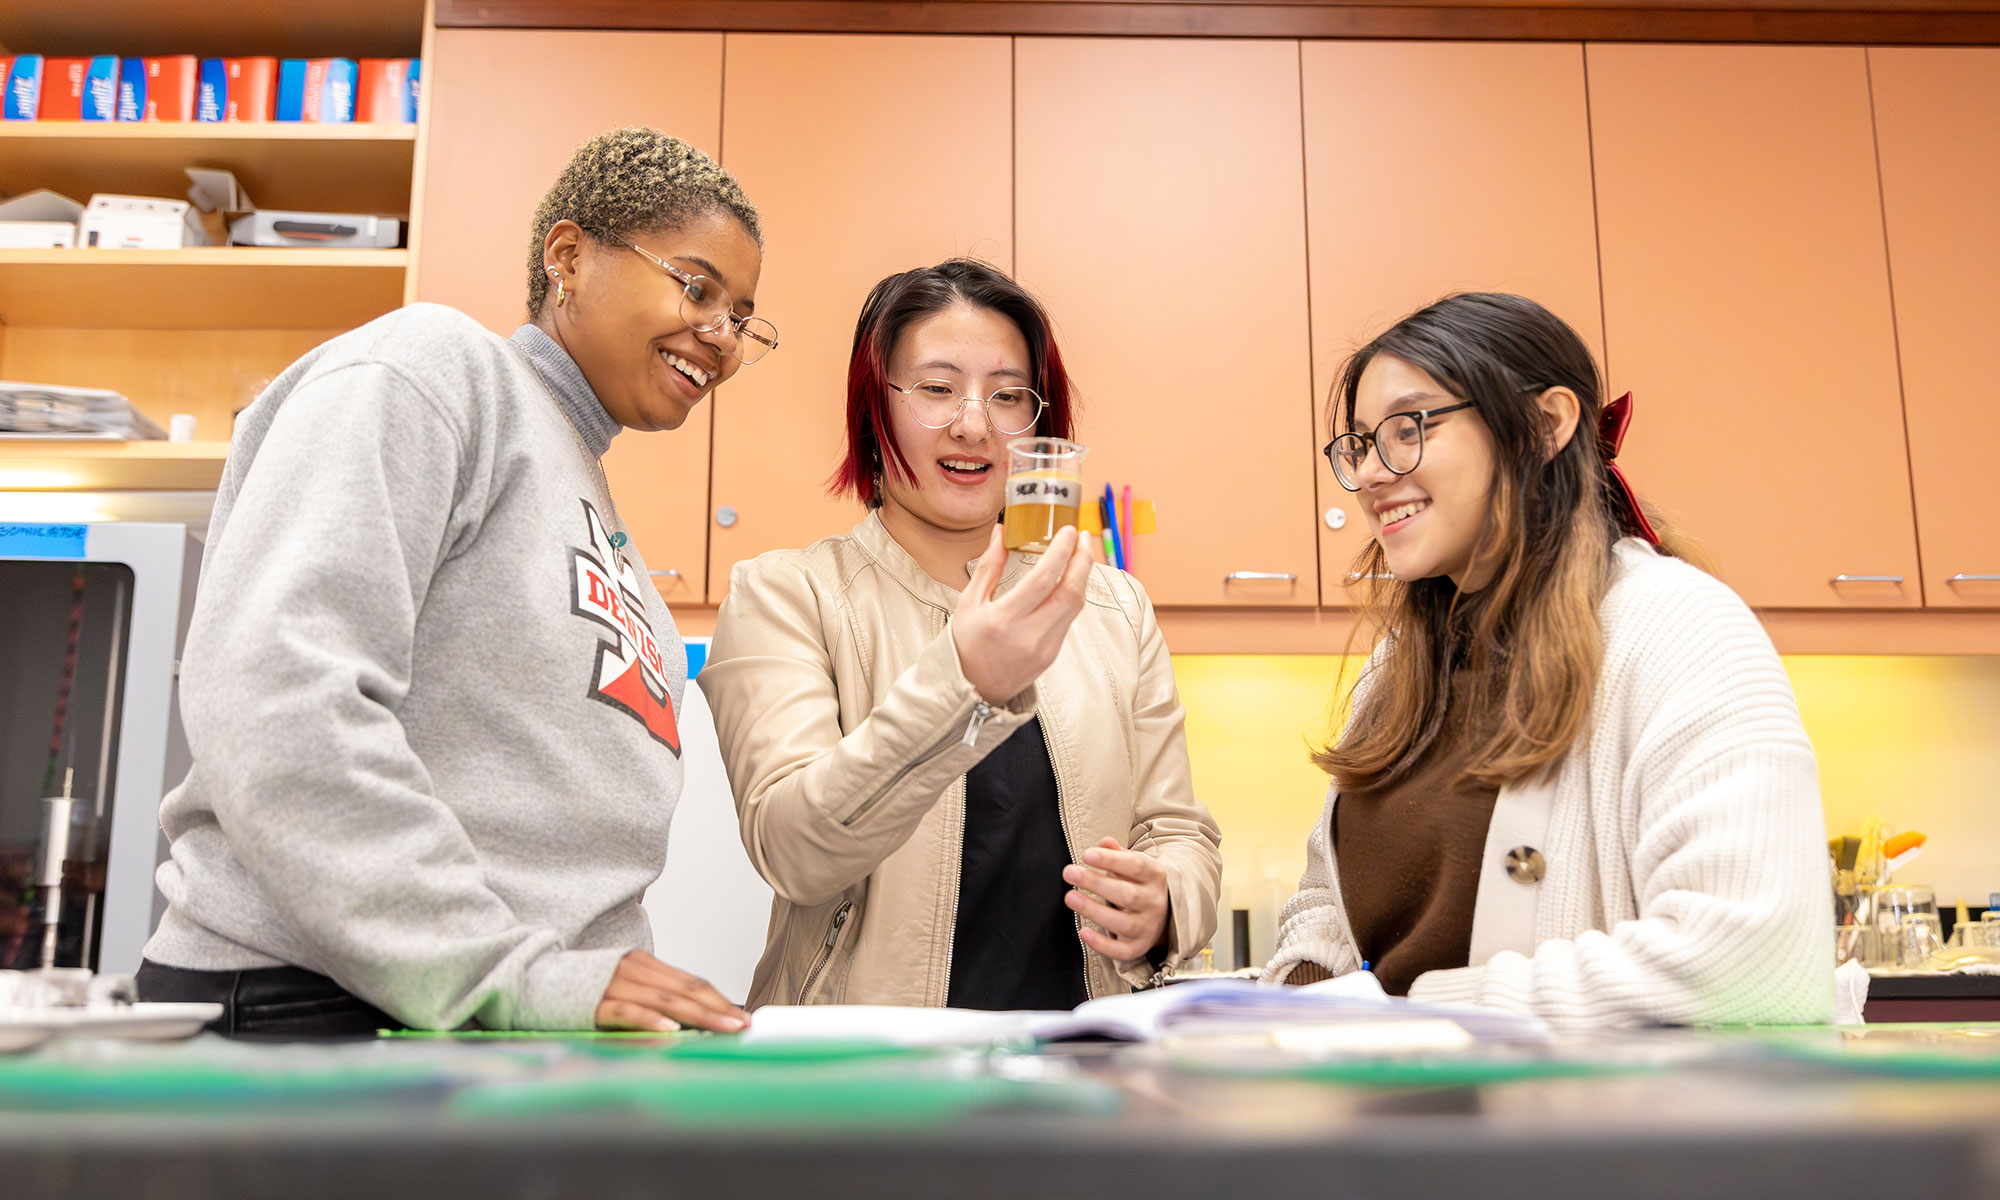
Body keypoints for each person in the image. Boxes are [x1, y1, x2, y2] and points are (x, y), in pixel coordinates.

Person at [136, 128, 777, 1037]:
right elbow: (278, 693)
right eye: (698, 286)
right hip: (318, 1012)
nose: (723, 338)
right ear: (569, 256)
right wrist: (503, 973)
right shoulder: (431, 369)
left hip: (488, 1020)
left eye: (742, 317)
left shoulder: (592, 504)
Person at [1263, 292, 1831, 1027]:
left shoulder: (1679, 627)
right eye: (1362, 444)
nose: (1372, 472)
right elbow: (1325, 906)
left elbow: (1755, 962)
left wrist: (1419, 1015)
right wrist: (1304, 1000)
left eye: (1407, 428)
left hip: (1590, 1134)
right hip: (1401, 1125)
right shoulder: (1396, 667)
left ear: (1545, 424)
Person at [698, 258, 1221, 1010]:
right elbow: (794, 851)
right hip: (870, 1083)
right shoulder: (788, 593)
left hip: (1082, 1065)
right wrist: (965, 683)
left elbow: (1179, 833)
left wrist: (1167, 900)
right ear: (872, 405)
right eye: (938, 389)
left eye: (1008, 395)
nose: (974, 423)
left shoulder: (1111, 607)